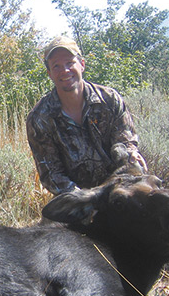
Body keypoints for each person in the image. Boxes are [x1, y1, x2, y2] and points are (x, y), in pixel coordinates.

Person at [26, 36, 147, 195]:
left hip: (119, 192)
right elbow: (51, 174)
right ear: (49, 73)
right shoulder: (39, 118)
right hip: (78, 200)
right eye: (56, 66)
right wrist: (87, 200)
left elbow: (125, 143)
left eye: (70, 63)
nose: (65, 71)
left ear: (82, 64)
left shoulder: (110, 100)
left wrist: (132, 155)